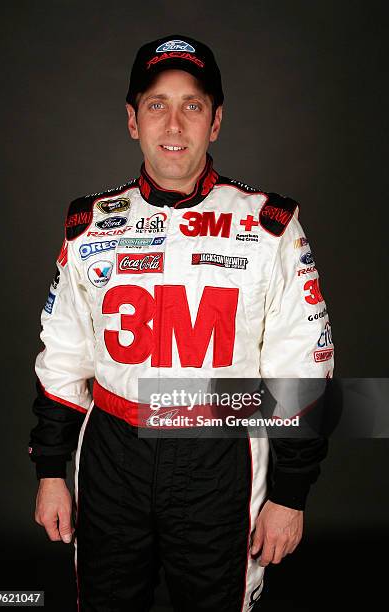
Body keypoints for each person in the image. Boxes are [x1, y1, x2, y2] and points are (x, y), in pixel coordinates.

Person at [29, 34, 334, 611]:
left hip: (219, 456)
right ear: (132, 119)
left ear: (215, 121)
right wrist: (50, 471)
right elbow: (63, 357)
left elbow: (303, 368)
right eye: (156, 105)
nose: (173, 124)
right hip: (112, 452)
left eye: (192, 105)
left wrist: (289, 496)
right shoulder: (89, 226)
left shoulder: (270, 227)